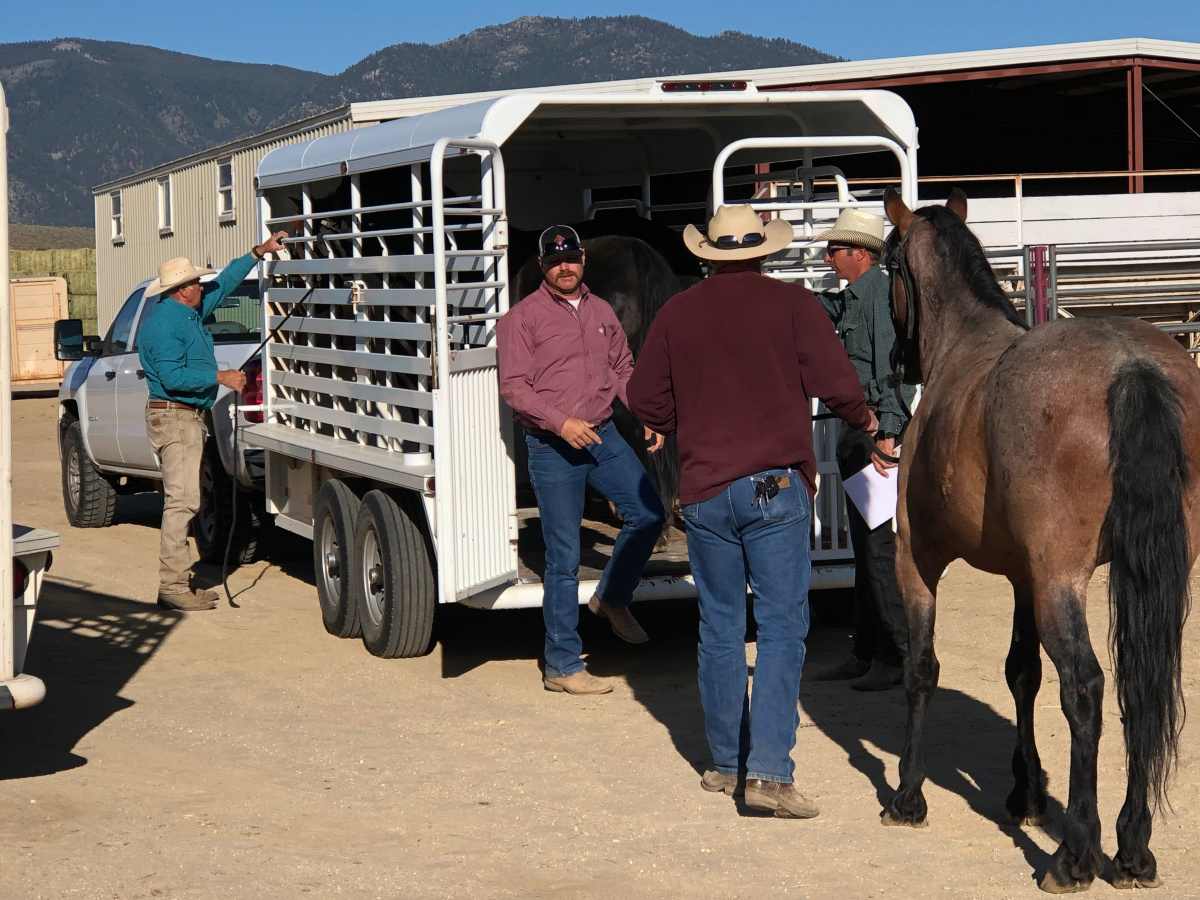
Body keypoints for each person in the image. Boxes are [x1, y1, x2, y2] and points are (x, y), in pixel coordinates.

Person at [627, 205, 878, 818]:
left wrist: (665, 424)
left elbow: (643, 396)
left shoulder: (678, 311)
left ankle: (725, 763)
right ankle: (768, 773)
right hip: (774, 487)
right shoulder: (793, 306)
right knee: (783, 626)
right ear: (762, 251)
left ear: (710, 255)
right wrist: (866, 419)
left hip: (707, 489)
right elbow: (836, 381)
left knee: (719, 624)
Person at [497, 225, 666, 695]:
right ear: (542, 267)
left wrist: (647, 414)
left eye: (570, 259)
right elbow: (514, 387)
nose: (564, 267)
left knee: (649, 515)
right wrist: (560, 422)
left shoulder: (600, 310)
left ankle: (612, 597)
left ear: (582, 261)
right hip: (553, 447)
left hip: (603, 435)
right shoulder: (521, 319)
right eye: (554, 262)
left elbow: (622, 367)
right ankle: (562, 665)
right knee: (564, 556)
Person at [138, 232, 287, 611]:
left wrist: (258, 252)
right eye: (196, 282)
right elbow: (173, 379)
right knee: (182, 502)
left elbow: (223, 286)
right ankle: (172, 587)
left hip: (181, 417)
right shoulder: (165, 326)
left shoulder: (185, 313)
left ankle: (178, 583)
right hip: (175, 418)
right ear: (183, 290)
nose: (203, 286)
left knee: (185, 500)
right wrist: (222, 377)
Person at [810, 208, 916, 692]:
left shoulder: (876, 296)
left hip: (875, 433)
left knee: (877, 551)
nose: (828, 256)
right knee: (865, 548)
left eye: (834, 250)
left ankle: (897, 659)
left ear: (859, 253)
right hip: (864, 432)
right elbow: (825, 308)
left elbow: (891, 371)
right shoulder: (858, 295)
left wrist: (889, 435)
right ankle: (867, 651)